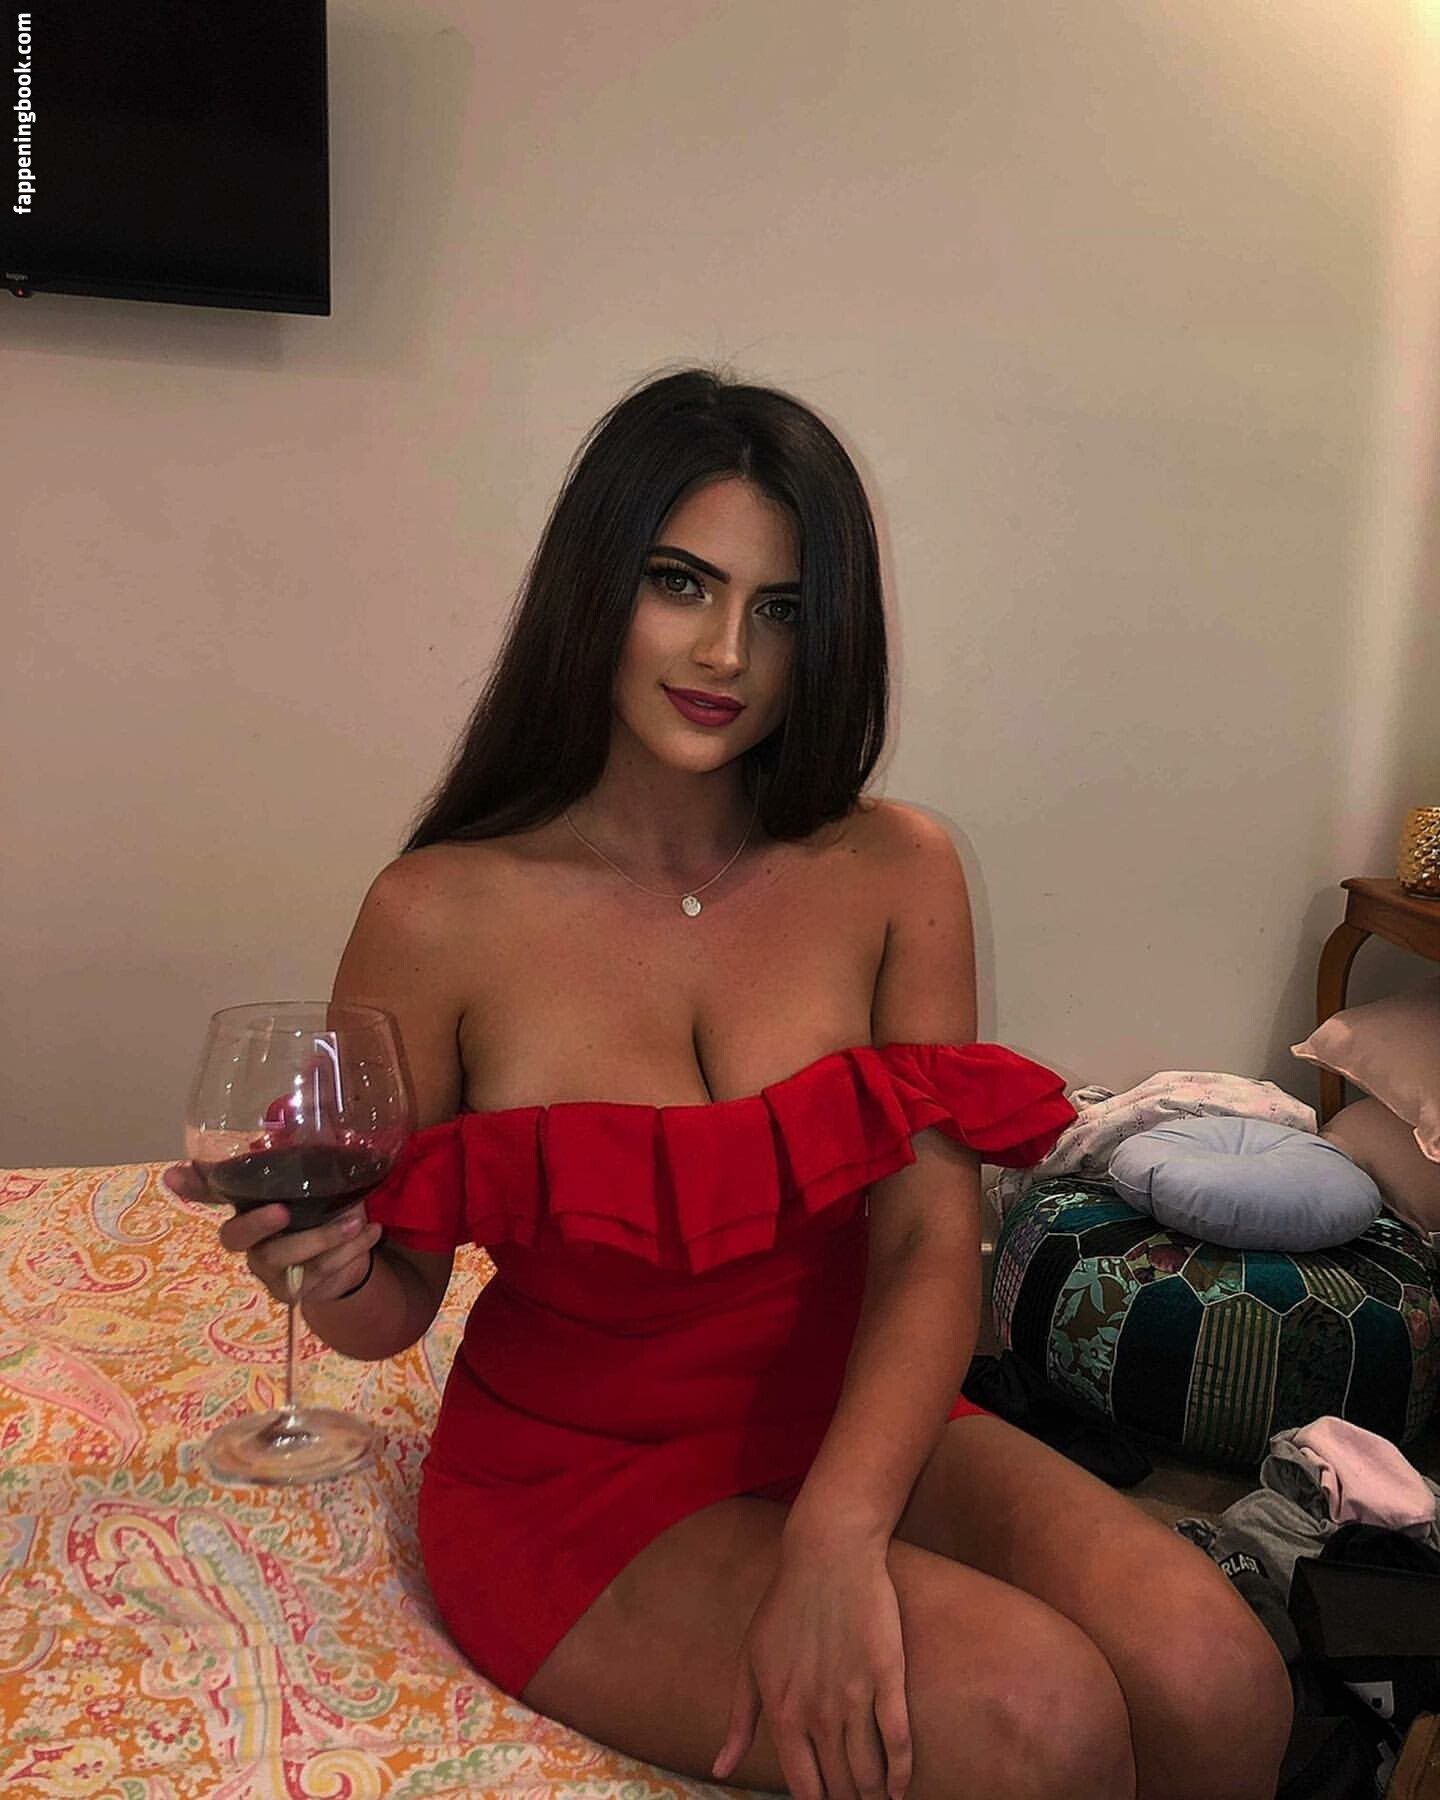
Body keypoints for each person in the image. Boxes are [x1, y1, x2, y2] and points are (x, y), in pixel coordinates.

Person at [173, 366, 1294, 1800]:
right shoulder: (437, 910)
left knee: (1221, 1677)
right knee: (1044, 1718)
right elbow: (391, 1307)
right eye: (680, 582)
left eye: (783, 608)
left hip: (859, 1416)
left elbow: (927, 1248)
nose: (727, 653)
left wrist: (838, 1532)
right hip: (578, 1479)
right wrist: (325, 1270)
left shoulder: (898, 869)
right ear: (595, 585)